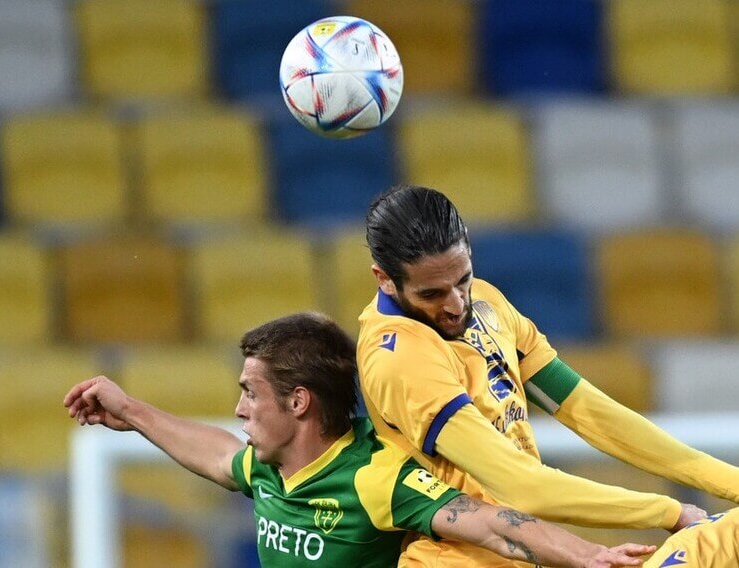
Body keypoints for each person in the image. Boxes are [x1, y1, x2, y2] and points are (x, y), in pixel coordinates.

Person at [64, 312, 654, 568]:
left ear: (299, 403)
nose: (239, 408)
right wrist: (132, 411)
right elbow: (217, 455)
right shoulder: (269, 466)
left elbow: (492, 525)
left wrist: (591, 556)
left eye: (250, 392)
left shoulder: (376, 476)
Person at [357, 184, 739, 567]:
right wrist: (667, 511)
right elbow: (523, 486)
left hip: (526, 555)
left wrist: (727, 481)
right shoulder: (398, 357)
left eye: (462, 280)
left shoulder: (487, 302)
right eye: (432, 294)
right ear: (385, 278)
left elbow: (590, 411)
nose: (456, 304)